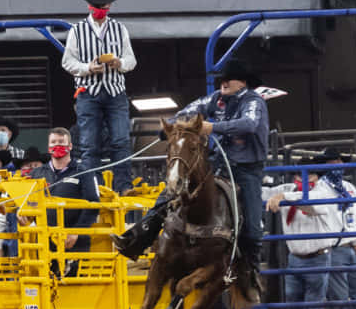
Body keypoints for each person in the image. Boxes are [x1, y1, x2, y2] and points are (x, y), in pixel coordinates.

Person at [112, 59, 268, 291]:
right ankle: (139, 237)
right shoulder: (215, 99)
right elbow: (187, 113)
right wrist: (173, 127)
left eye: (229, 79)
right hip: (216, 164)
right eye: (222, 79)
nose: (223, 83)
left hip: (245, 169)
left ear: (242, 82)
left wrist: (212, 128)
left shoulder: (253, 101)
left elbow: (249, 124)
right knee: (173, 188)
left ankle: (249, 271)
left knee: (253, 229)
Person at [61, 0, 137, 194]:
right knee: (89, 145)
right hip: (88, 92)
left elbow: (131, 60)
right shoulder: (77, 30)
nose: (100, 9)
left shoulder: (119, 28)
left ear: (109, 5)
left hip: (115, 91)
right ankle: (92, 188)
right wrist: (87, 68)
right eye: (96, 6)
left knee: (121, 140)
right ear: (89, 6)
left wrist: (119, 63)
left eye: (103, 6)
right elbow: (67, 63)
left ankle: (123, 186)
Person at [263, 161, 340, 309]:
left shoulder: (324, 190)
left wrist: (284, 197)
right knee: (291, 302)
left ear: (317, 176)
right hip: (295, 257)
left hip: (318, 256)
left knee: (313, 306)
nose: (302, 178)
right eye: (298, 174)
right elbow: (262, 193)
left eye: (308, 174)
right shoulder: (289, 189)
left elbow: (313, 205)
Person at [24, 127, 100, 278]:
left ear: (70, 146)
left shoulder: (84, 172)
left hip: (76, 243)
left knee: (76, 291)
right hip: (44, 243)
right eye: (53, 142)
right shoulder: (37, 174)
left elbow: (93, 205)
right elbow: (26, 202)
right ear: (48, 147)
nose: (57, 145)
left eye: (61, 142)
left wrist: (76, 232)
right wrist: (24, 216)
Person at [317, 147, 356, 309]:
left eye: (338, 161)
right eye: (331, 162)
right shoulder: (320, 189)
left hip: (354, 247)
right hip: (333, 247)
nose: (336, 165)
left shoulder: (350, 188)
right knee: (339, 297)